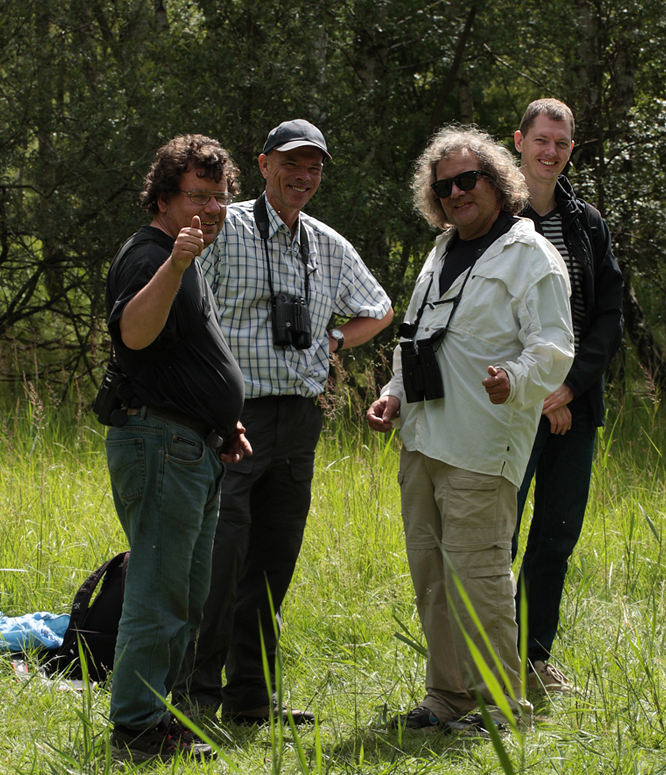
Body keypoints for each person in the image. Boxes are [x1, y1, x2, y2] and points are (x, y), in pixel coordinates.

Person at [174, 119, 393, 726]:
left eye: (315, 167)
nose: (304, 177)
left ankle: (253, 698)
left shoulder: (326, 244)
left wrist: (334, 342)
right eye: (293, 164)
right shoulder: (226, 227)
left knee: (273, 562)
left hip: (300, 421)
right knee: (221, 560)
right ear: (264, 163)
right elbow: (188, 307)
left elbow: (379, 308)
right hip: (234, 418)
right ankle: (197, 696)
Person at [366, 126, 574, 734]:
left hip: (482, 445)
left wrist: (515, 377)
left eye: (468, 180)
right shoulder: (440, 251)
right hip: (423, 440)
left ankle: (499, 707)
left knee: (479, 578)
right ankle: (446, 697)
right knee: (431, 574)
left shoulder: (529, 255)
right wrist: (390, 396)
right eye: (444, 185)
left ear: (496, 181)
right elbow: (415, 341)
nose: (457, 192)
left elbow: (555, 348)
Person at [104, 134, 251, 763]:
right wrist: (176, 264)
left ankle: (163, 719)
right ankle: (137, 729)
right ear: (163, 198)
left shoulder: (179, 255)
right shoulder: (150, 256)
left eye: (220, 198)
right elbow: (134, 335)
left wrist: (222, 422)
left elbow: (182, 356)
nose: (213, 209)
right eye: (198, 196)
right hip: (158, 445)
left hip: (192, 447)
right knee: (160, 594)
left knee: (187, 596)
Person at [512, 99, 624, 692]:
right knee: (495, 536)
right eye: (541, 140)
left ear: (569, 150)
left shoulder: (587, 224)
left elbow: (609, 315)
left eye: (561, 143)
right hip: (505, 405)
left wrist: (570, 389)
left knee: (555, 533)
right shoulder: (492, 217)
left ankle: (532, 659)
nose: (550, 152)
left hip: (573, 406)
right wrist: (536, 392)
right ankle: (477, 661)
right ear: (520, 142)